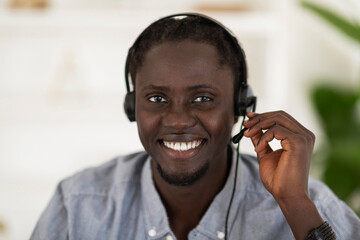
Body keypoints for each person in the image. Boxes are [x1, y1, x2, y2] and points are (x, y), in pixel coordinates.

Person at [31, 13, 360, 240]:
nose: (177, 120)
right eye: (157, 99)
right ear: (133, 108)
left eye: (202, 98)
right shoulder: (78, 203)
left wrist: (294, 203)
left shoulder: (312, 205)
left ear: (240, 107)